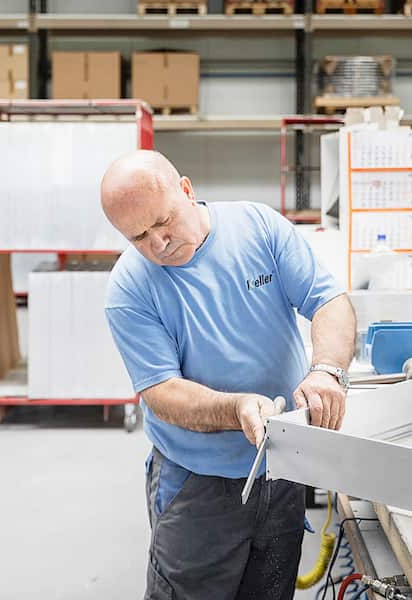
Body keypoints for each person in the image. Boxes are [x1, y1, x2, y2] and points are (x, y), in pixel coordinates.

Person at [100, 150, 356, 599]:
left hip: (283, 468)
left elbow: (328, 301)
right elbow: (162, 392)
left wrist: (326, 371)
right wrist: (236, 407)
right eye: (139, 236)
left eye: (163, 223)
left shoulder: (258, 227)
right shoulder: (130, 287)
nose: (158, 243)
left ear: (186, 189)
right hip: (197, 487)